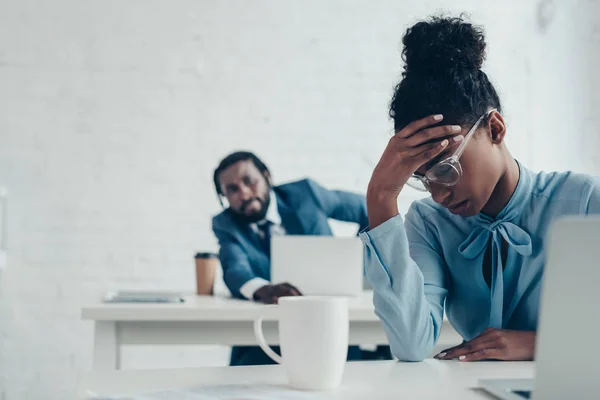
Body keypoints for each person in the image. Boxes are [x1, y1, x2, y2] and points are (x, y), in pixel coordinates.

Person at [362, 16, 600, 363]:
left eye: (446, 168)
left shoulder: (582, 201)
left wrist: (539, 344)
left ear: (495, 129)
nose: (438, 195)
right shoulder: (429, 222)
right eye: (423, 178)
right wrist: (381, 198)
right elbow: (412, 345)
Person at [212, 151, 390, 365]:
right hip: (268, 334)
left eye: (249, 181)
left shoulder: (306, 195)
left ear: (267, 177)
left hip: (327, 322)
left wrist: (356, 263)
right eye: (232, 189)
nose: (244, 193)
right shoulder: (226, 224)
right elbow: (235, 269)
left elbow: (368, 209)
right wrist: (264, 289)